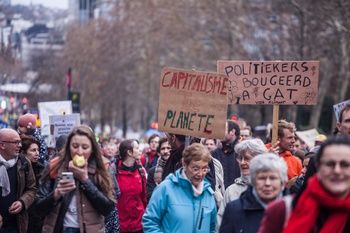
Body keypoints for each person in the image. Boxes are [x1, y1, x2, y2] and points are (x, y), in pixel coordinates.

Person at [259, 136, 350, 233]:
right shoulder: (282, 211)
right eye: (330, 164)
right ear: (318, 167)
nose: (337, 171)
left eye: (345, 165)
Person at [35, 125, 116, 233]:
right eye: (75, 146)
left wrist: (85, 180)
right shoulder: (55, 166)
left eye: (85, 147)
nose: (79, 152)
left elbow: (108, 208)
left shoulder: (102, 168)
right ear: (69, 147)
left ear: (92, 149)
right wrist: (56, 194)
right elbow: (38, 209)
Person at [142, 143, 217, 233]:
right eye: (195, 168)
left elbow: (212, 227)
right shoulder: (166, 189)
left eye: (204, 169)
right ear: (184, 165)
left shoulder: (208, 194)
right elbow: (150, 222)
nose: (200, 174)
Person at [220, 153, 288, 233]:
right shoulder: (234, 210)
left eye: (273, 178)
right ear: (253, 181)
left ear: (282, 182)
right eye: (262, 178)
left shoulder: (293, 209)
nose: (267, 183)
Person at [216, 139, 268, 231]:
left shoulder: (269, 189)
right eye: (240, 158)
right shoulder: (231, 190)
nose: (242, 162)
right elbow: (221, 224)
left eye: (247, 158)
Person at [0, 128, 37, 233]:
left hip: (16, 225)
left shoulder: (24, 162)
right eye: (16, 142)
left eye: (19, 142)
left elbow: (32, 189)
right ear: (2, 145)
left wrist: (22, 202)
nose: (20, 145)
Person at [116, 139, 147, 233]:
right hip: (121, 226)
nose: (140, 150)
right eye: (137, 148)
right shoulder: (114, 172)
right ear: (129, 152)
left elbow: (144, 197)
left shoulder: (140, 171)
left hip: (139, 225)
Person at [19, 135, 45, 233]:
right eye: (33, 150)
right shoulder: (18, 169)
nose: (37, 153)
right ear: (23, 153)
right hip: (22, 214)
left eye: (37, 150)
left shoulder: (42, 170)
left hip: (37, 217)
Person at [212, 120, 241, 189]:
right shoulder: (216, 153)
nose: (219, 133)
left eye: (223, 129)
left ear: (232, 132)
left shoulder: (242, 152)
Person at [146, 137, 171, 202]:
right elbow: (149, 196)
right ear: (159, 152)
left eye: (168, 148)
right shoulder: (152, 172)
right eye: (163, 149)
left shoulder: (178, 168)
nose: (166, 151)